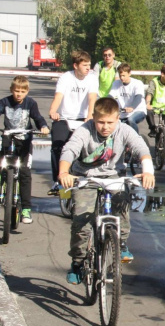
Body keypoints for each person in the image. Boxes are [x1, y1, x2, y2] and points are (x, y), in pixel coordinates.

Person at [59, 97, 155, 284]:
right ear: (93, 117)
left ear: (118, 118)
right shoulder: (84, 130)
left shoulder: (124, 130)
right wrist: (64, 171)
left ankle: (121, 243)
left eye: (110, 122)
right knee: (81, 222)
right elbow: (69, 150)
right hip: (86, 177)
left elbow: (140, 148)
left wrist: (148, 171)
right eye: (101, 122)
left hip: (114, 177)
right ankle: (78, 262)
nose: (105, 127)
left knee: (122, 209)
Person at [48, 50, 99, 195]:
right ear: (75, 66)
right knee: (58, 146)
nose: (88, 68)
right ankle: (58, 181)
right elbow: (58, 97)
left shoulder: (92, 78)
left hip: (84, 118)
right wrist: (53, 111)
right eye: (85, 65)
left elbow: (92, 98)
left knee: (87, 148)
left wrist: (90, 115)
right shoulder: (66, 77)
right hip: (65, 118)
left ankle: (85, 178)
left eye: (89, 65)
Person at [0, 76, 49, 224]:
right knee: (2, 166)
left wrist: (44, 126)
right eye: (16, 91)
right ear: (11, 90)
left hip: (25, 140)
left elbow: (38, 117)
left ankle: (26, 209)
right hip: (9, 137)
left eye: (22, 91)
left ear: (27, 91)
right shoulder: (5, 102)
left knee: (25, 173)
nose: (19, 94)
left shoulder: (30, 103)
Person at [109, 63, 146, 133]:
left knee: (130, 120)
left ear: (129, 73)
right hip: (123, 112)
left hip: (138, 110)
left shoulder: (137, 83)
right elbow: (111, 96)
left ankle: (136, 140)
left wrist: (132, 107)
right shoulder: (116, 83)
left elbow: (138, 97)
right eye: (120, 75)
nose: (121, 78)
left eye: (123, 75)